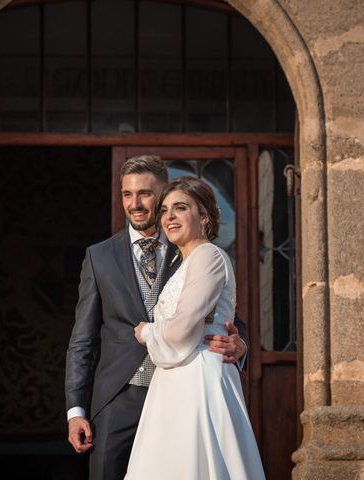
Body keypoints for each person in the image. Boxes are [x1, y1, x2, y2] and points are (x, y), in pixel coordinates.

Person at [65, 156, 248, 480]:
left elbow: (227, 315)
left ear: (163, 193)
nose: (135, 204)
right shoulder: (99, 256)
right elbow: (83, 338)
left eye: (146, 194)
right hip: (119, 398)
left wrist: (240, 346)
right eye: (127, 194)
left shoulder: (193, 249)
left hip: (182, 393)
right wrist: (75, 410)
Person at [125, 176, 265, 479]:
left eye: (180, 208)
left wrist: (146, 332)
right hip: (175, 378)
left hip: (198, 377)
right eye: (164, 210)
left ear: (203, 216)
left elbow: (183, 329)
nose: (169, 217)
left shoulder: (208, 255)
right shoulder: (183, 262)